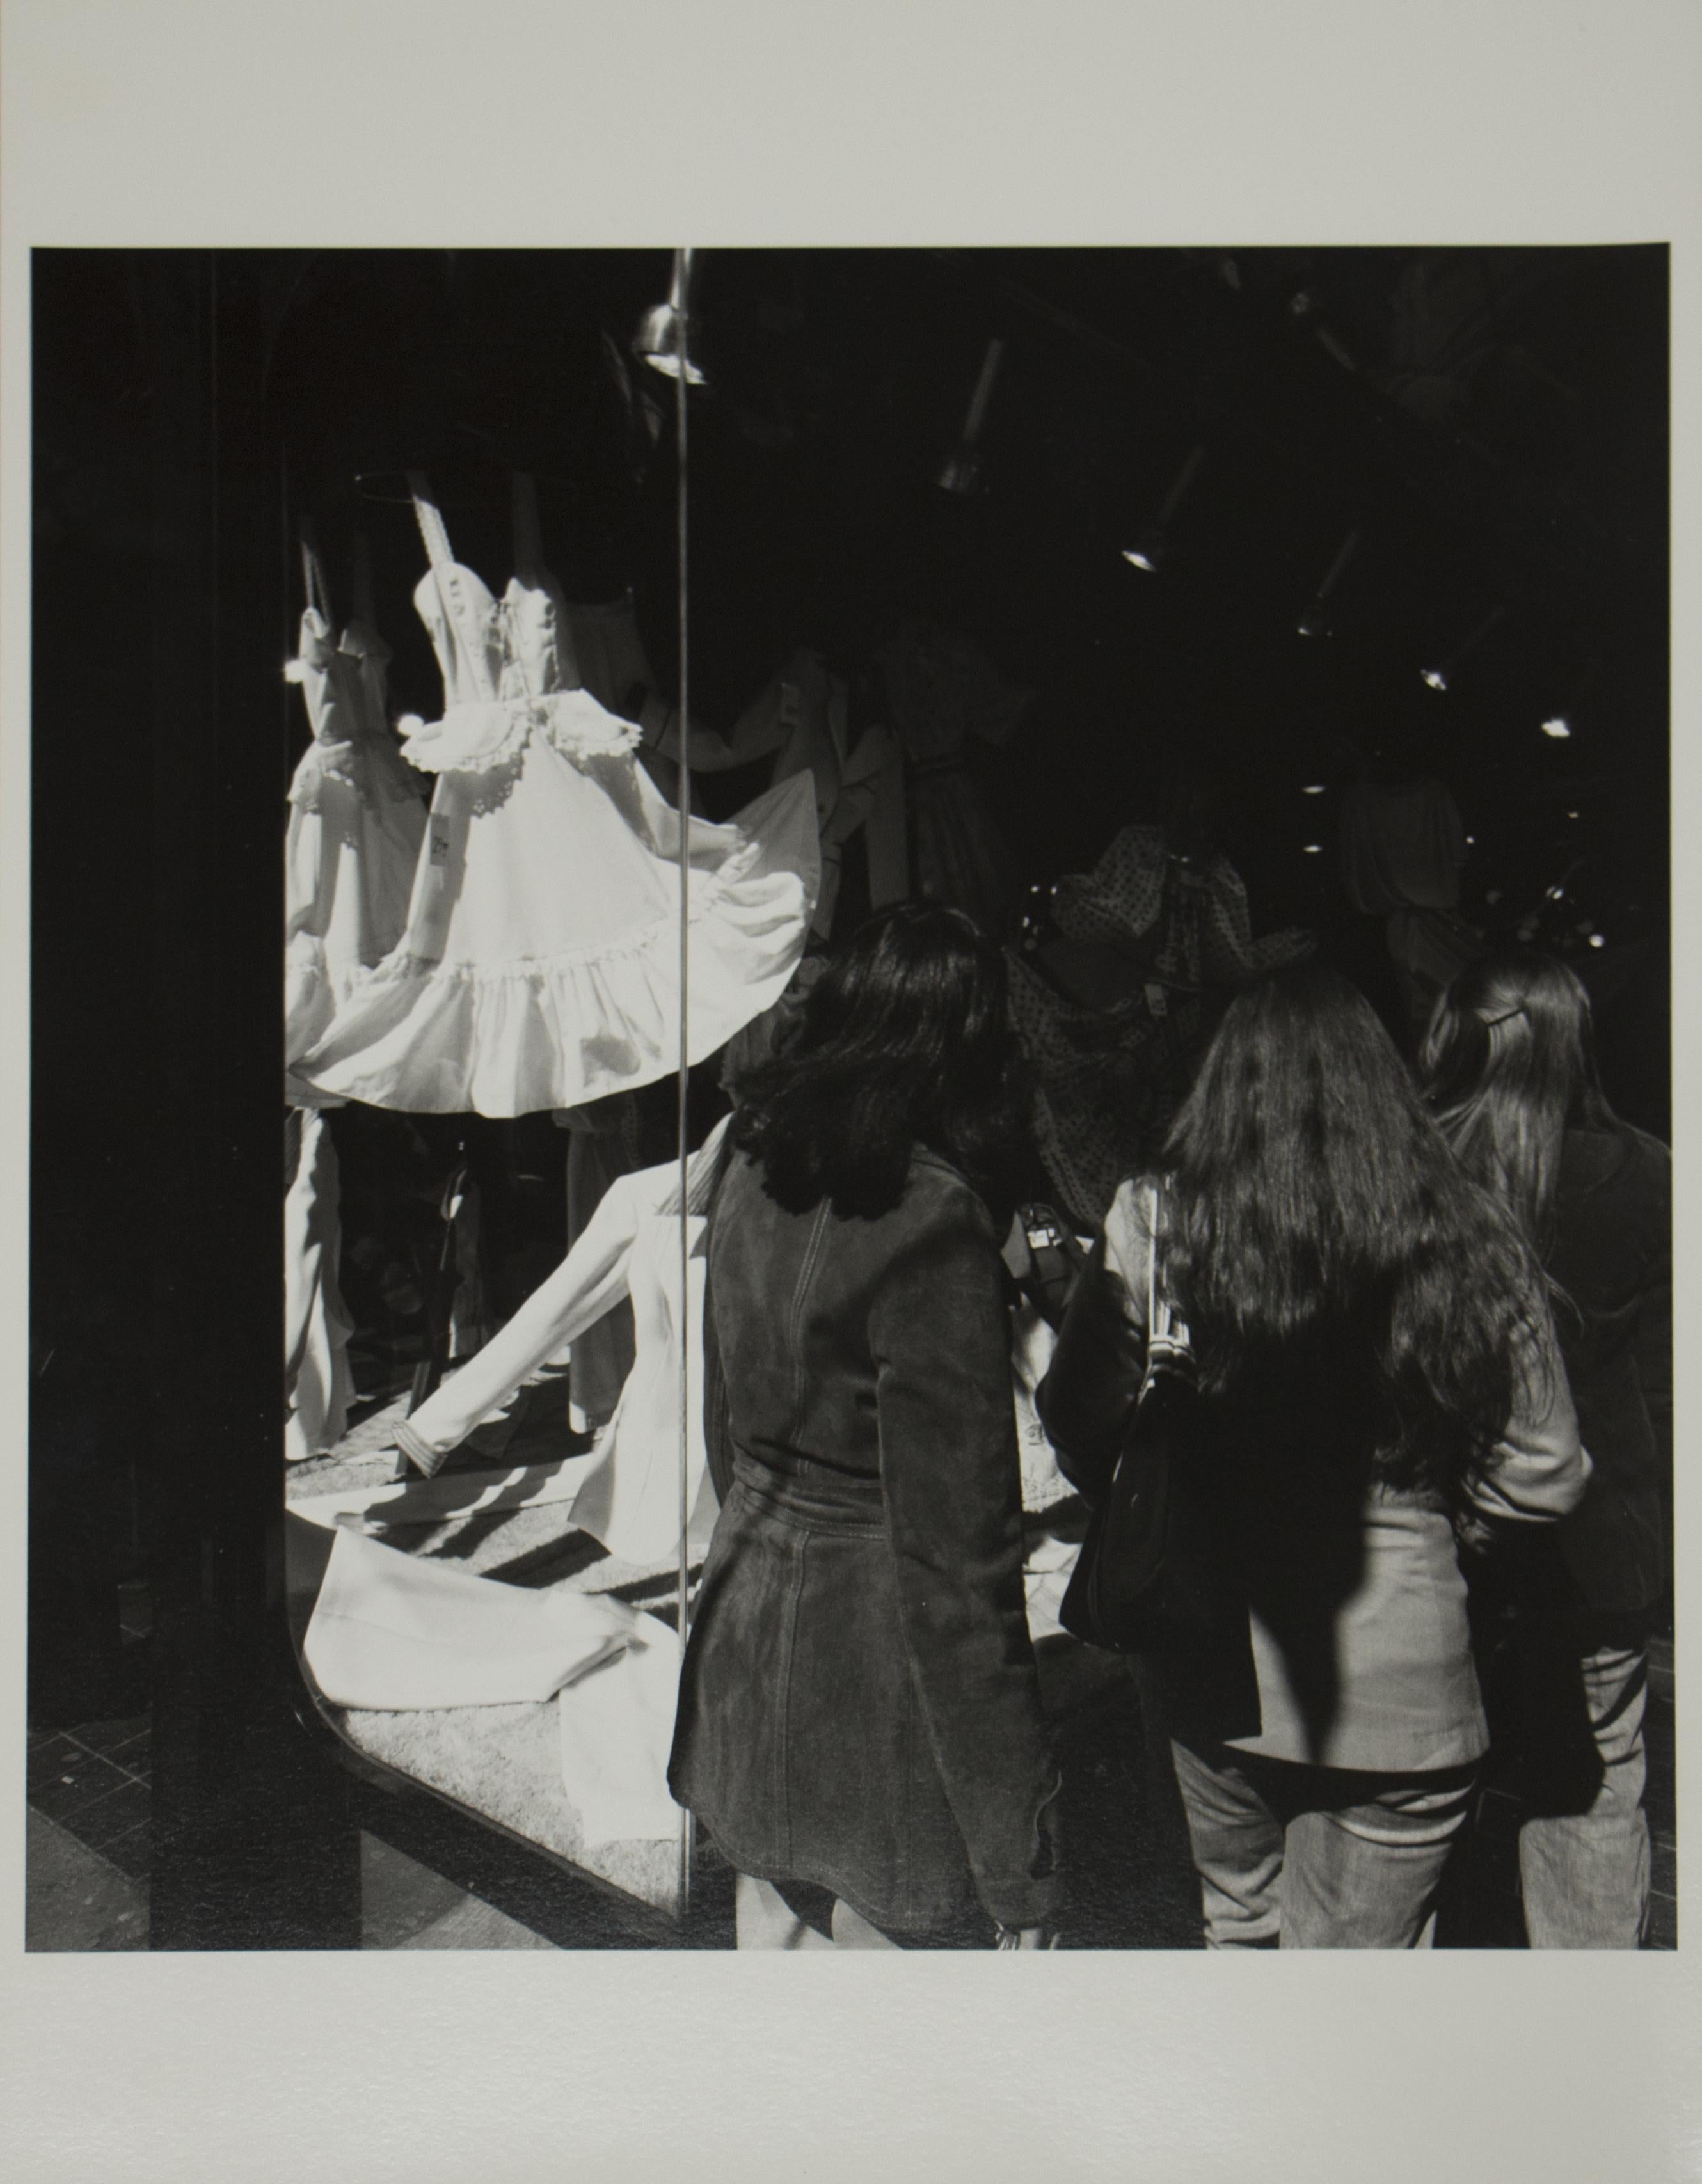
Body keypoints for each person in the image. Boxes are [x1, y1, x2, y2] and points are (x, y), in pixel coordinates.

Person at [1039, 963, 1589, 1949]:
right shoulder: (1467, 1228)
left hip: (1209, 1654)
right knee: (1354, 1994)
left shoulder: (1155, 1221)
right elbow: (1543, 1474)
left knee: (1239, 1931)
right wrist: (1442, 1513)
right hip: (1407, 1685)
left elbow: (1080, 1415)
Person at [667, 903, 1063, 1949]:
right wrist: (1018, 1862)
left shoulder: (750, 1168)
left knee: (777, 2016)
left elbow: (721, 1431)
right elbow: (959, 1572)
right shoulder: (934, 1218)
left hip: (745, 1647)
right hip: (873, 1695)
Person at [1420, 951, 1671, 1947]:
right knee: (1598, 1784)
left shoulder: (1427, 1175)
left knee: (1445, 1791)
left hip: (1454, 1542)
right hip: (1606, 1543)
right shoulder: (1658, 1174)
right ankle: (1588, 2043)